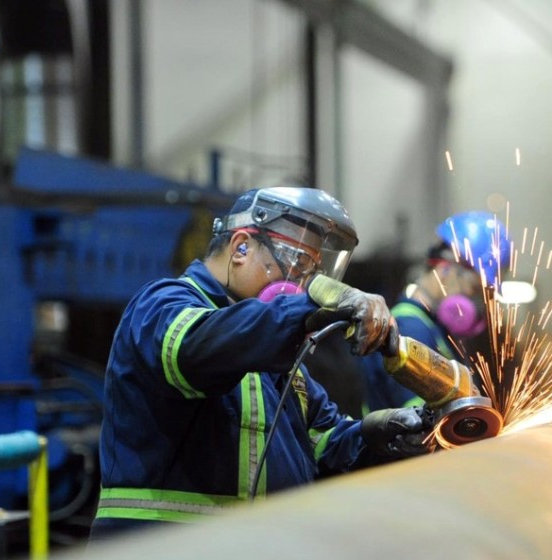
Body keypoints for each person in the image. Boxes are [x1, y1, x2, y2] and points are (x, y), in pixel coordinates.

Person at [90, 187, 432, 539]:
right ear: (241, 247)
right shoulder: (161, 306)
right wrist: (305, 311)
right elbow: (199, 348)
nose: (303, 285)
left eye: (314, 272)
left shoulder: (275, 356)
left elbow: (323, 441)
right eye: (298, 264)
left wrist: (382, 434)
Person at [360, 211, 510, 412]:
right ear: (446, 268)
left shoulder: (432, 328)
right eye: (474, 288)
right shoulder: (410, 330)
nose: (475, 303)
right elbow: (420, 421)